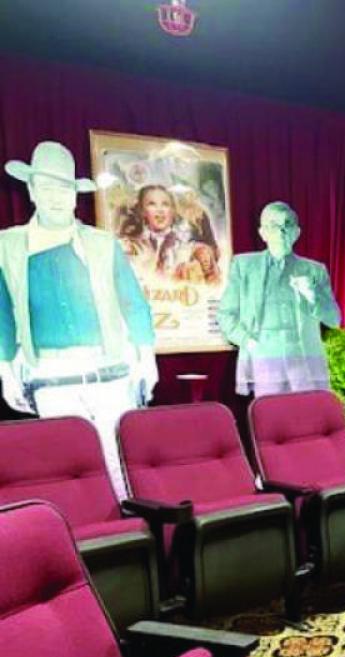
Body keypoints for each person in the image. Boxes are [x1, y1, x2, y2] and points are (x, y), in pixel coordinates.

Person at [0, 140, 158, 494]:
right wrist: (5, 372)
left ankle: (131, 524)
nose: (55, 197)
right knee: (68, 463)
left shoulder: (101, 243)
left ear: (74, 195)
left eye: (63, 188)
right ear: (31, 191)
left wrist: (147, 358)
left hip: (108, 369)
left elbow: (133, 302)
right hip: (50, 373)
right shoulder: (7, 245)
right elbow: (2, 316)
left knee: (118, 461)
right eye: (46, 187)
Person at [217, 201, 341, 396]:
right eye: (274, 225)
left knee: (307, 412)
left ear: (297, 233)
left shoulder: (315, 270)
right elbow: (225, 314)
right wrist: (247, 342)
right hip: (264, 358)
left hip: (304, 359)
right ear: (262, 233)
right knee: (270, 412)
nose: (281, 232)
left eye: (287, 225)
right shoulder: (244, 266)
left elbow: (334, 319)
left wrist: (312, 295)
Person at [119, 183, 219, 284]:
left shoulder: (187, 247)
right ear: (142, 211)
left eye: (165, 204)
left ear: (173, 210)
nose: (160, 210)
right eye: (152, 204)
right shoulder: (133, 245)